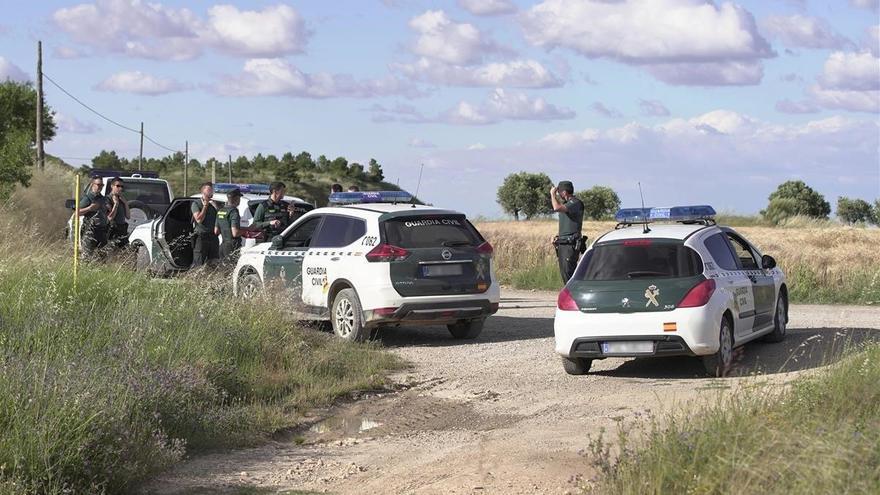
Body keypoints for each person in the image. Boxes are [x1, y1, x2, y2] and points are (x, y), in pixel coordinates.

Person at [550, 180, 584, 283]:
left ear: (564, 192)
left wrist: (552, 194)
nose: (558, 194)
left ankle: (572, 297)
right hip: (564, 243)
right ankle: (570, 296)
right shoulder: (567, 204)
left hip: (570, 245)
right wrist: (557, 237)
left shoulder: (575, 203)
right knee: (565, 273)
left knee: (569, 274)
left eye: (559, 191)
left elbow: (556, 207)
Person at [77, 176, 111, 257]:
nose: (100, 187)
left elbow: (107, 214)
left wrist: (108, 209)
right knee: (87, 255)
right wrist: (90, 208)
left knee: (102, 256)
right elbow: (77, 213)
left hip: (102, 230)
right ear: (93, 184)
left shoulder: (103, 198)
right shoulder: (88, 198)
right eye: (98, 185)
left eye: (102, 185)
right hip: (90, 230)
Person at [191, 182, 220, 268]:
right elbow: (199, 219)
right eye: (209, 190)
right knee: (199, 262)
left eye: (212, 190)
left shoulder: (214, 204)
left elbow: (219, 218)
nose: (211, 192)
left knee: (214, 262)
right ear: (203, 192)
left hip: (213, 237)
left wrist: (216, 207)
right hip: (201, 237)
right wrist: (205, 206)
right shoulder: (196, 204)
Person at [215, 188, 243, 263]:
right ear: (236, 198)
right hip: (232, 246)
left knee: (223, 270)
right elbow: (235, 233)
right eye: (239, 198)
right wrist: (246, 231)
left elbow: (216, 231)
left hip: (223, 245)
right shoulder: (234, 212)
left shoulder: (220, 211)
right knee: (232, 269)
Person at [106, 177, 130, 250]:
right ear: (112, 186)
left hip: (122, 230)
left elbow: (128, 216)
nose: (120, 188)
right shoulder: (107, 199)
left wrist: (125, 203)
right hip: (112, 230)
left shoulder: (121, 199)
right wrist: (116, 204)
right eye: (118, 186)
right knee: (111, 252)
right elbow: (110, 217)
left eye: (122, 186)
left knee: (125, 252)